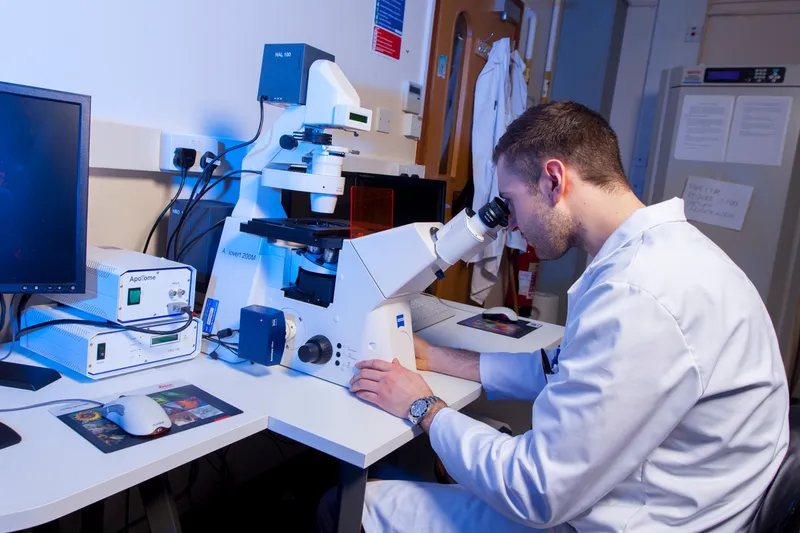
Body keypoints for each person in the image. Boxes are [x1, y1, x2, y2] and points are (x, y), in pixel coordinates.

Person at [347, 101, 790, 532]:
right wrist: (439, 358)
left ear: (553, 180)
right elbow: (560, 369)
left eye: (510, 201)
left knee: (360, 507)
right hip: (672, 495)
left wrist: (423, 407)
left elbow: (535, 492)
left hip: (628, 516)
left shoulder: (640, 294)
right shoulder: (662, 257)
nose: (512, 224)